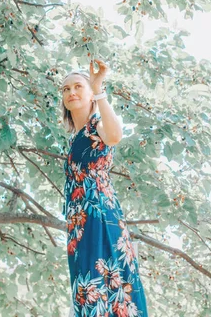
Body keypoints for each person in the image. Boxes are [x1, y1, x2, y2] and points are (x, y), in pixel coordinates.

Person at [60, 59, 148, 317]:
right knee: (87, 294)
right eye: (66, 89)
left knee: (104, 288)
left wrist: (99, 89)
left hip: (99, 217)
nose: (71, 92)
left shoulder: (96, 125)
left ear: (90, 95)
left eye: (78, 86)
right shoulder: (75, 137)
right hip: (79, 225)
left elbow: (114, 136)